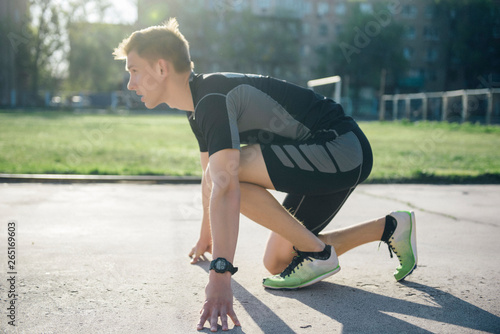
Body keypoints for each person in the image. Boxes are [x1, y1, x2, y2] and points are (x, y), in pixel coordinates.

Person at [113, 18, 417, 332]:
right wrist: (207, 237)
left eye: (134, 71)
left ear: (161, 69)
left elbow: (224, 185)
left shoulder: (212, 100)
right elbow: (211, 178)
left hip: (341, 148)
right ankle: (389, 227)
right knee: (278, 261)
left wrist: (220, 275)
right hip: (322, 159)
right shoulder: (198, 107)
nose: (130, 84)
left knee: (227, 172)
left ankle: (318, 252)